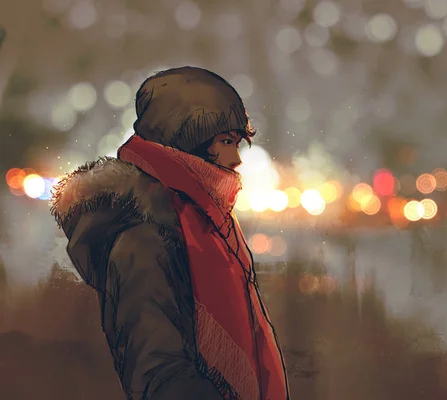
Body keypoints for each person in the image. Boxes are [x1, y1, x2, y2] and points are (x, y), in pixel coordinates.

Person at [51, 66, 290, 400]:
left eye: (237, 143)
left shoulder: (203, 221)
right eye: (224, 142)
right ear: (186, 140)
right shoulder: (144, 232)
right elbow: (159, 373)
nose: (235, 159)